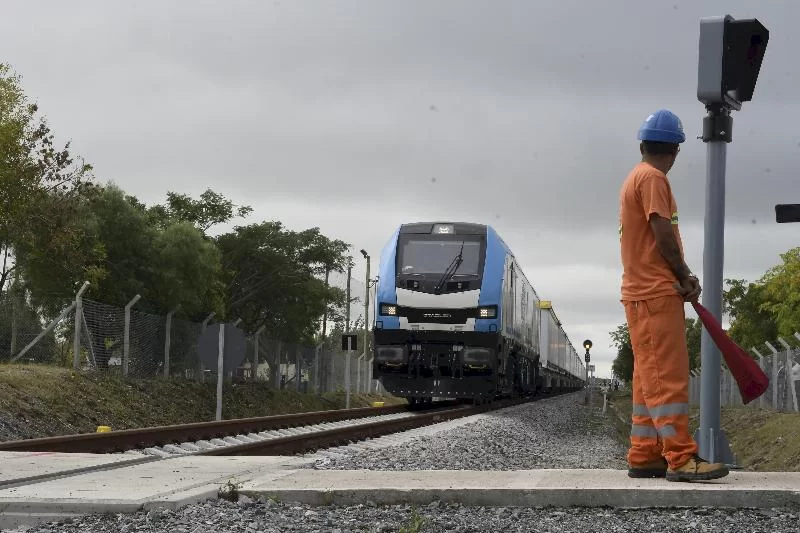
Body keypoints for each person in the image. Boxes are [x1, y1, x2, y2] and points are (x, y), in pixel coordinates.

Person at [618, 109, 729, 482]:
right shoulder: (653, 179)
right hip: (654, 293)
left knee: (648, 377)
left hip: (641, 294)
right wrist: (684, 275)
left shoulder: (635, 176)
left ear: (642, 143)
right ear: (676, 150)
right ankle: (681, 457)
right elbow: (662, 233)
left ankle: (645, 453)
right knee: (667, 377)